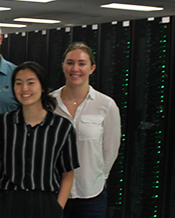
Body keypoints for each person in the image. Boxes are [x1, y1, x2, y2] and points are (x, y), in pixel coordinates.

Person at [0, 61, 80, 218]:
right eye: (19, 83)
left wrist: (58, 207)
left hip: (46, 203)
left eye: (31, 83)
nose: (24, 89)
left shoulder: (62, 127)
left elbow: (68, 173)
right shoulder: (2, 123)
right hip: (9, 201)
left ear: (42, 87)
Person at [50, 42, 121, 218]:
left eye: (82, 63)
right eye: (70, 62)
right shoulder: (49, 103)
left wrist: (97, 178)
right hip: (53, 192)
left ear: (92, 68)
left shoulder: (106, 105)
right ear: (63, 66)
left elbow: (110, 150)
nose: (75, 68)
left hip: (91, 195)